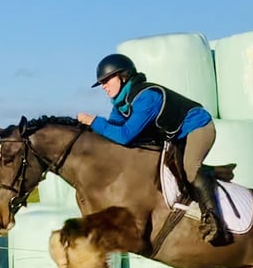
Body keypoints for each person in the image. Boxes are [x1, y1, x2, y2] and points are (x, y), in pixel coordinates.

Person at [77, 53, 229, 245]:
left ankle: (214, 220)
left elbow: (125, 136)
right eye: (102, 83)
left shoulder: (146, 97)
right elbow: (113, 132)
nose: (104, 86)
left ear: (123, 76)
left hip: (198, 127)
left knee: (190, 167)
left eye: (107, 80)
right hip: (175, 135)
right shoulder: (120, 105)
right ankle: (207, 177)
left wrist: (94, 121)